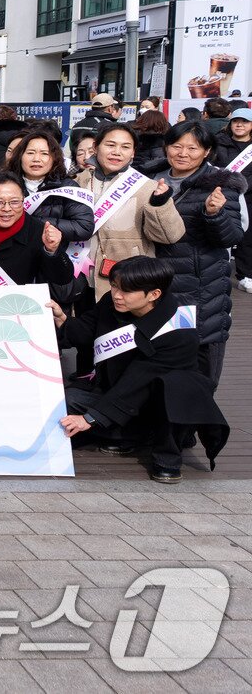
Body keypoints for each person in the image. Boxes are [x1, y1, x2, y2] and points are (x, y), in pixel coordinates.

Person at [52, 257, 227, 484]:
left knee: (175, 388)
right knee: (65, 399)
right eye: (114, 285)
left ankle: (167, 457)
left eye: (126, 291)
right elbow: (86, 329)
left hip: (158, 401)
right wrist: (63, 321)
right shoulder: (111, 302)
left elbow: (138, 380)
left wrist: (91, 418)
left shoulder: (179, 330)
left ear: (154, 294)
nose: (116, 294)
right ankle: (127, 435)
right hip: (114, 389)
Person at [146, 120, 247, 387]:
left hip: (200, 291)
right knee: (159, 370)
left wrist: (215, 214)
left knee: (200, 372)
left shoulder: (221, 185)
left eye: (193, 148)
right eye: (176, 146)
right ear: (166, 147)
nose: (183, 153)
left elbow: (231, 237)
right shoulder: (147, 179)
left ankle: (201, 427)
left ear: (207, 151)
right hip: (156, 286)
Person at [74, 123, 185, 298]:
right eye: (110, 145)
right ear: (95, 147)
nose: (117, 152)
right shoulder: (76, 182)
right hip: (80, 278)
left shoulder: (147, 187)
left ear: (133, 153)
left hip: (128, 282)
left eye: (125, 147)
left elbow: (170, 236)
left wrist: (159, 204)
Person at [0, 173, 74, 291]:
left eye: (15, 202)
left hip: (15, 304)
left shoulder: (38, 231)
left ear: (23, 201)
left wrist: (52, 251)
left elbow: (62, 279)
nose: (7, 209)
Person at [3, 130, 95, 248]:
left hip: (49, 255)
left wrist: (33, 222)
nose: (36, 159)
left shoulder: (67, 186)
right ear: (20, 156)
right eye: (30, 153)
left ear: (54, 158)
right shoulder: (4, 184)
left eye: (44, 153)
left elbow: (83, 228)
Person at [214, 107, 252, 293]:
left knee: (248, 237)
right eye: (236, 120)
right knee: (222, 233)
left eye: (244, 121)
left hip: (250, 197)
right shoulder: (219, 143)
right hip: (225, 195)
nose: (239, 124)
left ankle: (246, 275)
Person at [131, 109, 170, 175]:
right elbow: (158, 162)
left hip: (131, 172)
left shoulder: (132, 137)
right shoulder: (162, 141)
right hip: (150, 175)